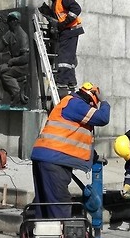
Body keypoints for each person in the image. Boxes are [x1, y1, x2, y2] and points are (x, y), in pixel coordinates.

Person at [30, 81, 110, 219]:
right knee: (59, 203)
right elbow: (103, 118)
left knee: (43, 203)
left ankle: (38, 233)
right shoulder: (75, 104)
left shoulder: (70, 105)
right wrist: (105, 102)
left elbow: (74, 138)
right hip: (55, 160)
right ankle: (59, 236)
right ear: (90, 100)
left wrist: (94, 157)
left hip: (45, 156)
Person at [38, 0, 84, 93]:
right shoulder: (56, 0)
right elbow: (59, 16)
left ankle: (62, 82)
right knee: (69, 59)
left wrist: (63, 24)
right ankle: (71, 82)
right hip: (67, 31)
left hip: (70, 30)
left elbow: (76, 9)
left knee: (64, 58)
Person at [0, 11, 30, 105]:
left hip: (22, 67)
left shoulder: (23, 36)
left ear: (15, 21)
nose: (8, 22)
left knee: (5, 74)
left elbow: (25, 58)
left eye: (10, 20)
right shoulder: (10, 33)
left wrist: (12, 61)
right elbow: (1, 45)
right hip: (14, 64)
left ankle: (17, 94)